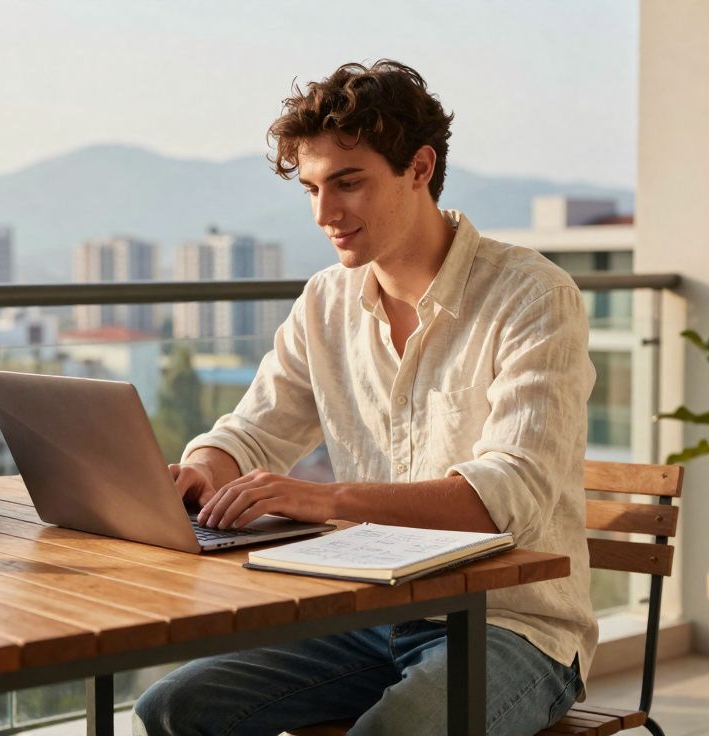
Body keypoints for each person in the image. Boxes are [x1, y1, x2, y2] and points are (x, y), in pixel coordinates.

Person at [132, 59, 598, 736]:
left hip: (512, 626)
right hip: (365, 617)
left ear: (419, 168)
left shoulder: (533, 297)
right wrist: (204, 468)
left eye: (348, 183)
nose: (326, 213)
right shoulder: (327, 301)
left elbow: (509, 497)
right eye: (313, 189)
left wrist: (321, 499)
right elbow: (255, 430)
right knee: (173, 709)